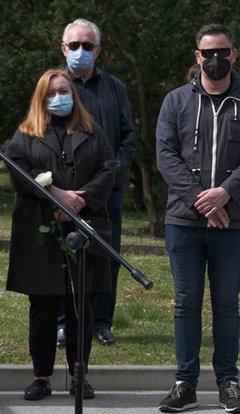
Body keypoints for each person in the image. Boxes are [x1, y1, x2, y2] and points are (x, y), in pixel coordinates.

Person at [155, 23, 240, 413]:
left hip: (231, 221)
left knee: (226, 304)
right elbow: (166, 156)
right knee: (186, 303)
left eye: (223, 51)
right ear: (197, 57)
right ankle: (184, 383)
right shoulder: (175, 101)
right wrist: (201, 201)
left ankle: (229, 383)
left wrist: (226, 193)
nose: (216, 59)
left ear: (234, 54)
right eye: (209, 53)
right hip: (183, 222)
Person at [5, 69, 116, 401]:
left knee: (81, 302)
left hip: (83, 225)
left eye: (63, 90)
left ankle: (79, 375)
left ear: (74, 94)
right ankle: (41, 376)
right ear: (42, 97)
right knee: (43, 307)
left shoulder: (92, 132)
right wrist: (55, 194)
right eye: (51, 92)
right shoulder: (25, 134)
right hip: (41, 229)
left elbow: (109, 168)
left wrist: (81, 199)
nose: (58, 97)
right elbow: (19, 172)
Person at [58, 18, 137, 347]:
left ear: (98, 50)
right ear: (63, 49)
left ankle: (101, 322)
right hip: (64, 194)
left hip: (107, 192)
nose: (80, 51)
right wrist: (63, 189)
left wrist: (106, 180)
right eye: (74, 45)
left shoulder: (115, 88)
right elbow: (39, 138)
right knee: (64, 258)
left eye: (87, 46)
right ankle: (63, 323)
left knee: (105, 258)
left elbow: (128, 138)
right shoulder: (54, 86)